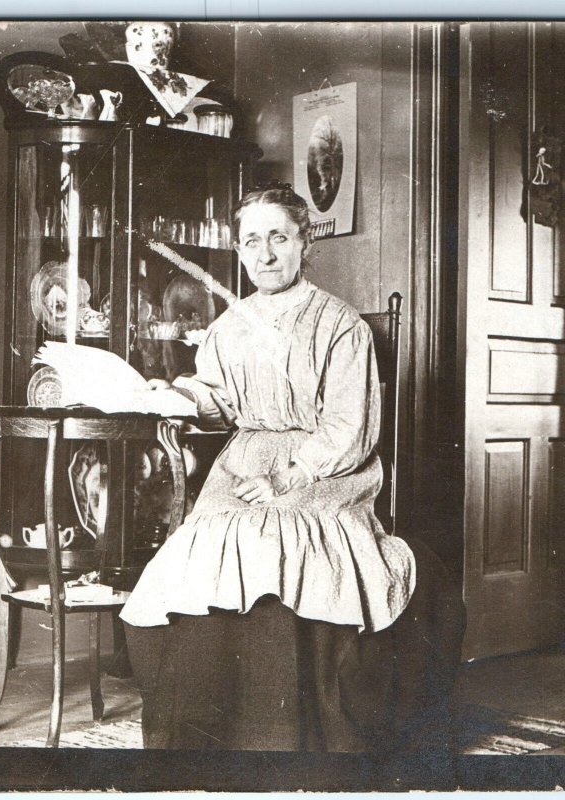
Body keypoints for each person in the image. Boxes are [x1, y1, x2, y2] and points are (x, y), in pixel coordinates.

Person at [119, 184, 464, 752]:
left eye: (279, 237)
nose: (266, 254)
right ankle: (218, 728)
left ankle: (284, 730)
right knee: (204, 543)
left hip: (325, 467)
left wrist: (288, 476)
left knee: (272, 537)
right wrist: (178, 396)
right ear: (238, 249)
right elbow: (220, 399)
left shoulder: (341, 324)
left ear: (306, 243)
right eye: (252, 241)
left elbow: (350, 429)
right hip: (244, 459)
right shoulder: (229, 326)